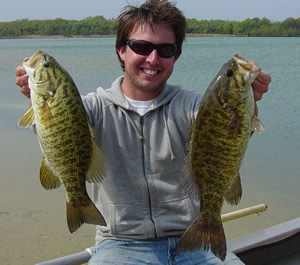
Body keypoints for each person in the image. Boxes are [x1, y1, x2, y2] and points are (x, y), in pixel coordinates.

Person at [15, 1, 271, 264]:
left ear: (176, 56)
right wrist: (34, 94)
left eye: (165, 50)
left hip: (193, 238)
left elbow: (228, 144)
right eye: (141, 47)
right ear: (121, 51)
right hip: (119, 244)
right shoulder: (90, 108)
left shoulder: (198, 108)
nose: (152, 59)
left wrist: (250, 102)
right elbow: (57, 131)